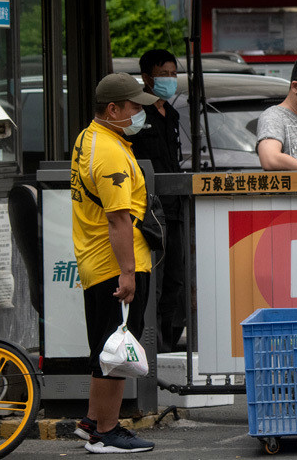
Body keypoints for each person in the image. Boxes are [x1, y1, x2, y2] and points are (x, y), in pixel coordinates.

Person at [70, 73, 158, 453]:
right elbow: (119, 219)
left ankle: (93, 420)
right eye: (134, 107)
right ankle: (106, 432)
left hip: (96, 260)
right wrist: (127, 273)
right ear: (113, 109)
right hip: (115, 264)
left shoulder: (89, 138)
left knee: (106, 347)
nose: (140, 113)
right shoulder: (108, 151)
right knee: (117, 352)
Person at [128, 49, 186, 352]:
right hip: (150, 209)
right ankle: (152, 345)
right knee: (156, 276)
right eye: (164, 74)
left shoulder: (172, 115)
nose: (170, 79)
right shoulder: (137, 115)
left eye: (174, 74)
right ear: (147, 78)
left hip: (175, 208)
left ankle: (169, 341)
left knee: (176, 277)